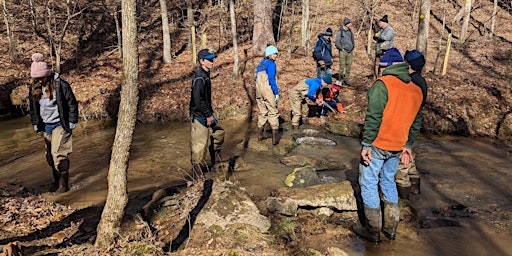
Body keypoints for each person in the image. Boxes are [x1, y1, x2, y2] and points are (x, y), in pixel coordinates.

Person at [355, 47, 423, 242]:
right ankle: (391, 229)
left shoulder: (382, 85)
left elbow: (373, 116)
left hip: (378, 144)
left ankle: (373, 231)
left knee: (368, 183)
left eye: (382, 66)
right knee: (388, 181)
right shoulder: (416, 89)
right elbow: (415, 122)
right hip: (398, 145)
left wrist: (366, 144)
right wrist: (408, 145)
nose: (380, 69)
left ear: (388, 66)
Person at [28, 52, 78, 193]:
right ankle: (56, 182)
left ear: (47, 74)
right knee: (49, 157)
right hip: (45, 126)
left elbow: (72, 103)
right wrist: (35, 123)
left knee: (58, 154)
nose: (38, 80)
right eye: (35, 78)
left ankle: (63, 186)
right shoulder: (33, 88)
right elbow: (33, 108)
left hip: (61, 125)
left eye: (40, 77)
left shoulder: (61, 85)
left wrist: (72, 121)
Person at [395, 50, 427, 200]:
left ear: (409, 64)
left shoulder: (411, 81)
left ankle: (403, 200)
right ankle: (415, 190)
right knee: (410, 159)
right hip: (413, 125)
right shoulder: (421, 80)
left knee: (402, 163)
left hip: (406, 125)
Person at [190, 48, 226, 180]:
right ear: (201, 61)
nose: (212, 62)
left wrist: (210, 113)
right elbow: (197, 100)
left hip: (207, 112)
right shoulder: (199, 77)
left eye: (212, 59)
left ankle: (215, 158)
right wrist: (207, 115)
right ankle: (197, 174)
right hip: (200, 115)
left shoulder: (206, 74)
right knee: (199, 144)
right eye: (209, 60)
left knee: (219, 133)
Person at [255, 45, 280, 145]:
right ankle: (275, 140)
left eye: (276, 54)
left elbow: (255, 78)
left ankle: (260, 136)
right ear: (269, 54)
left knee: (262, 112)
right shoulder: (271, 64)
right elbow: (271, 79)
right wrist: (276, 92)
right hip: (267, 90)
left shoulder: (260, 64)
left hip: (258, 90)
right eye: (274, 54)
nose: (276, 56)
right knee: (273, 112)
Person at [335, 17, 355, 86]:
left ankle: (347, 79)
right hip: (343, 51)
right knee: (342, 66)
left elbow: (352, 40)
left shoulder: (350, 31)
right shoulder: (340, 32)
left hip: (350, 51)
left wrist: (353, 46)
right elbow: (337, 42)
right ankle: (340, 79)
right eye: (350, 23)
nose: (351, 24)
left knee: (348, 66)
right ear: (346, 24)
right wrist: (341, 48)